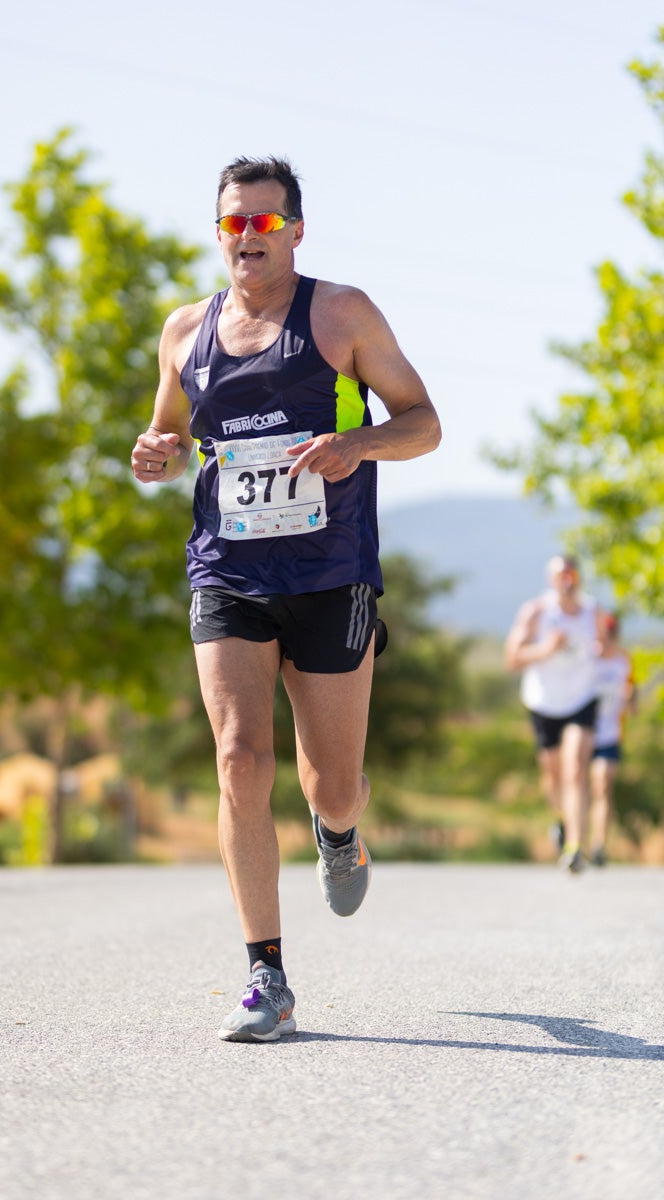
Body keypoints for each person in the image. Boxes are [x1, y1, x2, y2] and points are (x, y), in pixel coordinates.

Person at [131, 155, 441, 1041]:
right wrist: (152, 453)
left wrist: (356, 445)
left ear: (296, 230)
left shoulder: (340, 313)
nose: (248, 238)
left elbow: (424, 421)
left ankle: (338, 831)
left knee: (333, 785)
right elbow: (170, 428)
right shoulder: (185, 330)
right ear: (218, 232)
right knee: (238, 758)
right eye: (234, 222)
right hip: (227, 568)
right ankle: (266, 975)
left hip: (330, 570)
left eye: (265, 222)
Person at [504, 554, 603, 874]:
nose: (567, 579)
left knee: (575, 768)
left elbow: (610, 646)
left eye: (572, 573)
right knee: (554, 775)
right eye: (561, 574)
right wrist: (546, 648)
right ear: (551, 579)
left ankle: (575, 846)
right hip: (543, 702)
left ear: (579, 577)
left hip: (582, 699)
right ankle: (562, 821)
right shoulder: (536, 611)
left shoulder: (593, 611)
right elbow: (512, 658)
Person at [588, 611, 636, 866]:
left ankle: (598, 845)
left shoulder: (624, 661)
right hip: (582, 732)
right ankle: (573, 838)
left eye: (612, 633)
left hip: (610, 734)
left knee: (602, 786)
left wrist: (630, 699)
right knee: (579, 787)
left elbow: (633, 702)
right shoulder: (587, 659)